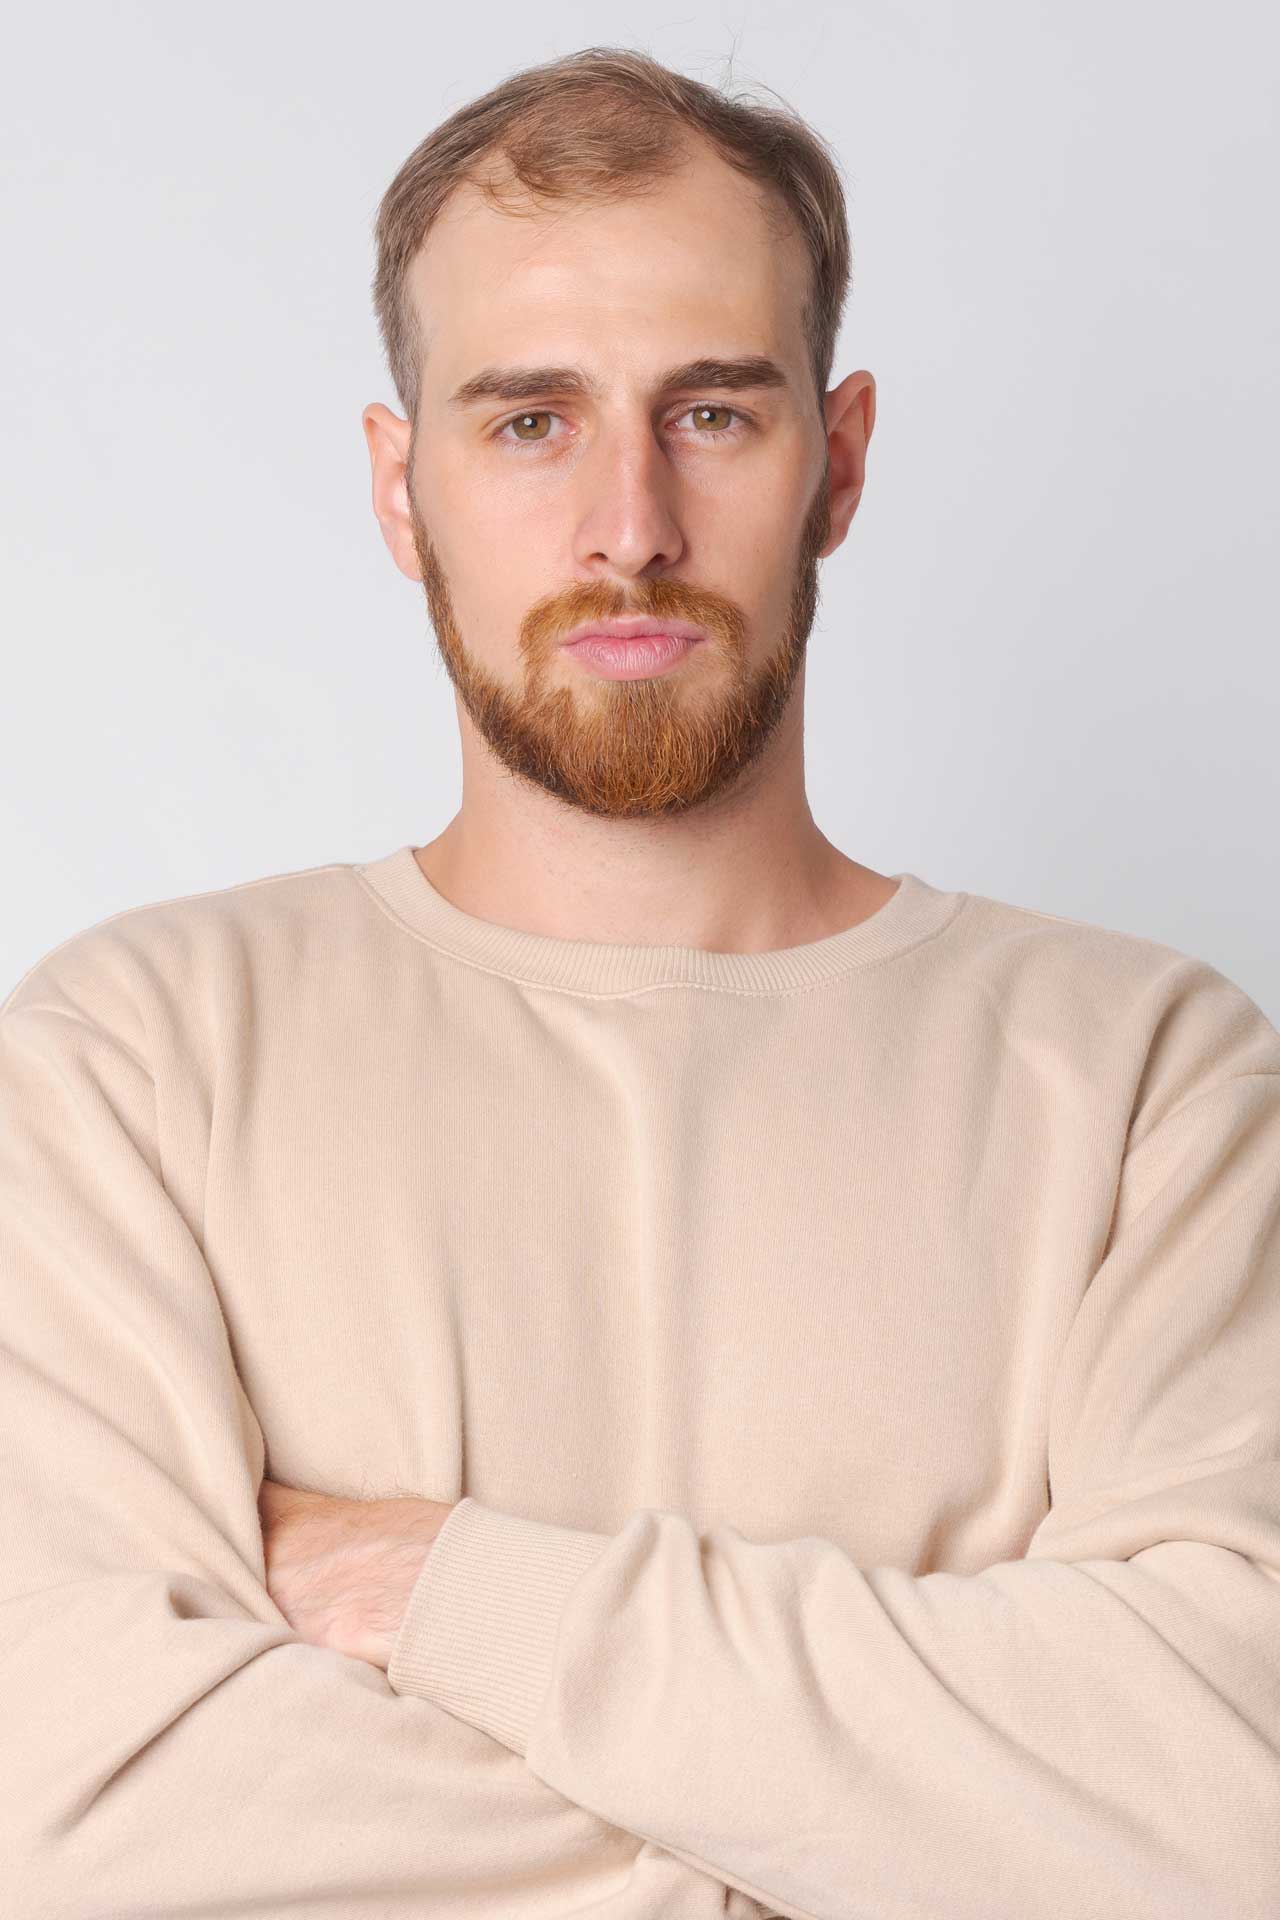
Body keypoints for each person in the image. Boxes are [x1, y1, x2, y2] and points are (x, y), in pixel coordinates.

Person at [3, 45, 1278, 1920]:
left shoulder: (1152, 1080)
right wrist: (920, 1826)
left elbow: (1230, 1802)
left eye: (714, 414)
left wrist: (446, 1590)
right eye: (529, 421)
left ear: (837, 462)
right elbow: (80, 1810)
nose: (628, 526)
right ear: (398, 484)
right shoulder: (132, 1063)